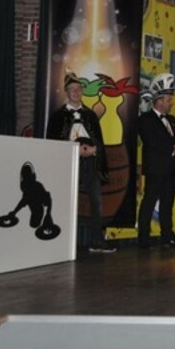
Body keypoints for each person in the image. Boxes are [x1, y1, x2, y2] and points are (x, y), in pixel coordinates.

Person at [45, 70, 115, 253]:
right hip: (68, 162)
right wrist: (75, 150)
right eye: (72, 89)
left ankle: (96, 241)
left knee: (96, 201)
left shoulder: (90, 115)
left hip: (90, 163)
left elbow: (99, 140)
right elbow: (53, 143)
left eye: (78, 89)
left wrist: (94, 150)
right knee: (64, 201)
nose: (76, 92)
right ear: (66, 92)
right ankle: (61, 240)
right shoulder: (57, 116)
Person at [137, 73, 175, 249]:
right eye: (168, 99)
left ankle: (167, 235)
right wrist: (174, 149)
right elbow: (153, 142)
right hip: (156, 169)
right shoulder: (145, 119)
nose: (171, 102)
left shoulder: (172, 119)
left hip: (171, 169)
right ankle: (143, 238)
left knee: (168, 203)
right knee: (149, 202)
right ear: (158, 101)